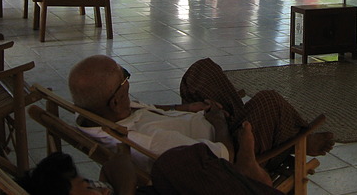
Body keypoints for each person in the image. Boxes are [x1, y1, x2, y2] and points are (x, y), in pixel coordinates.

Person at [68, 56, 334, 174]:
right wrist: (218, 122)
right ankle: (300, 140)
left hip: (204, 123)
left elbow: (149, 112)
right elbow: (223, 157)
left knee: (200, 71)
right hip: (231, 148)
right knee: (268, 100)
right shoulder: (150, 142)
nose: (128, 80)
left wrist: (184, 109)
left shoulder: (100, 117)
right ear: (115, 100)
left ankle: (277, 129)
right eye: (124, 78)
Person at [19, 126, 281, 195]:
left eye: (88, 181)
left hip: (214, 160)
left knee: (174, 164)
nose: (96, 187)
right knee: (174, 164)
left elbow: (118, 165)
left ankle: (250, 174)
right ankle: (253, 173)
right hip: (219, 153)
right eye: (87, 188)